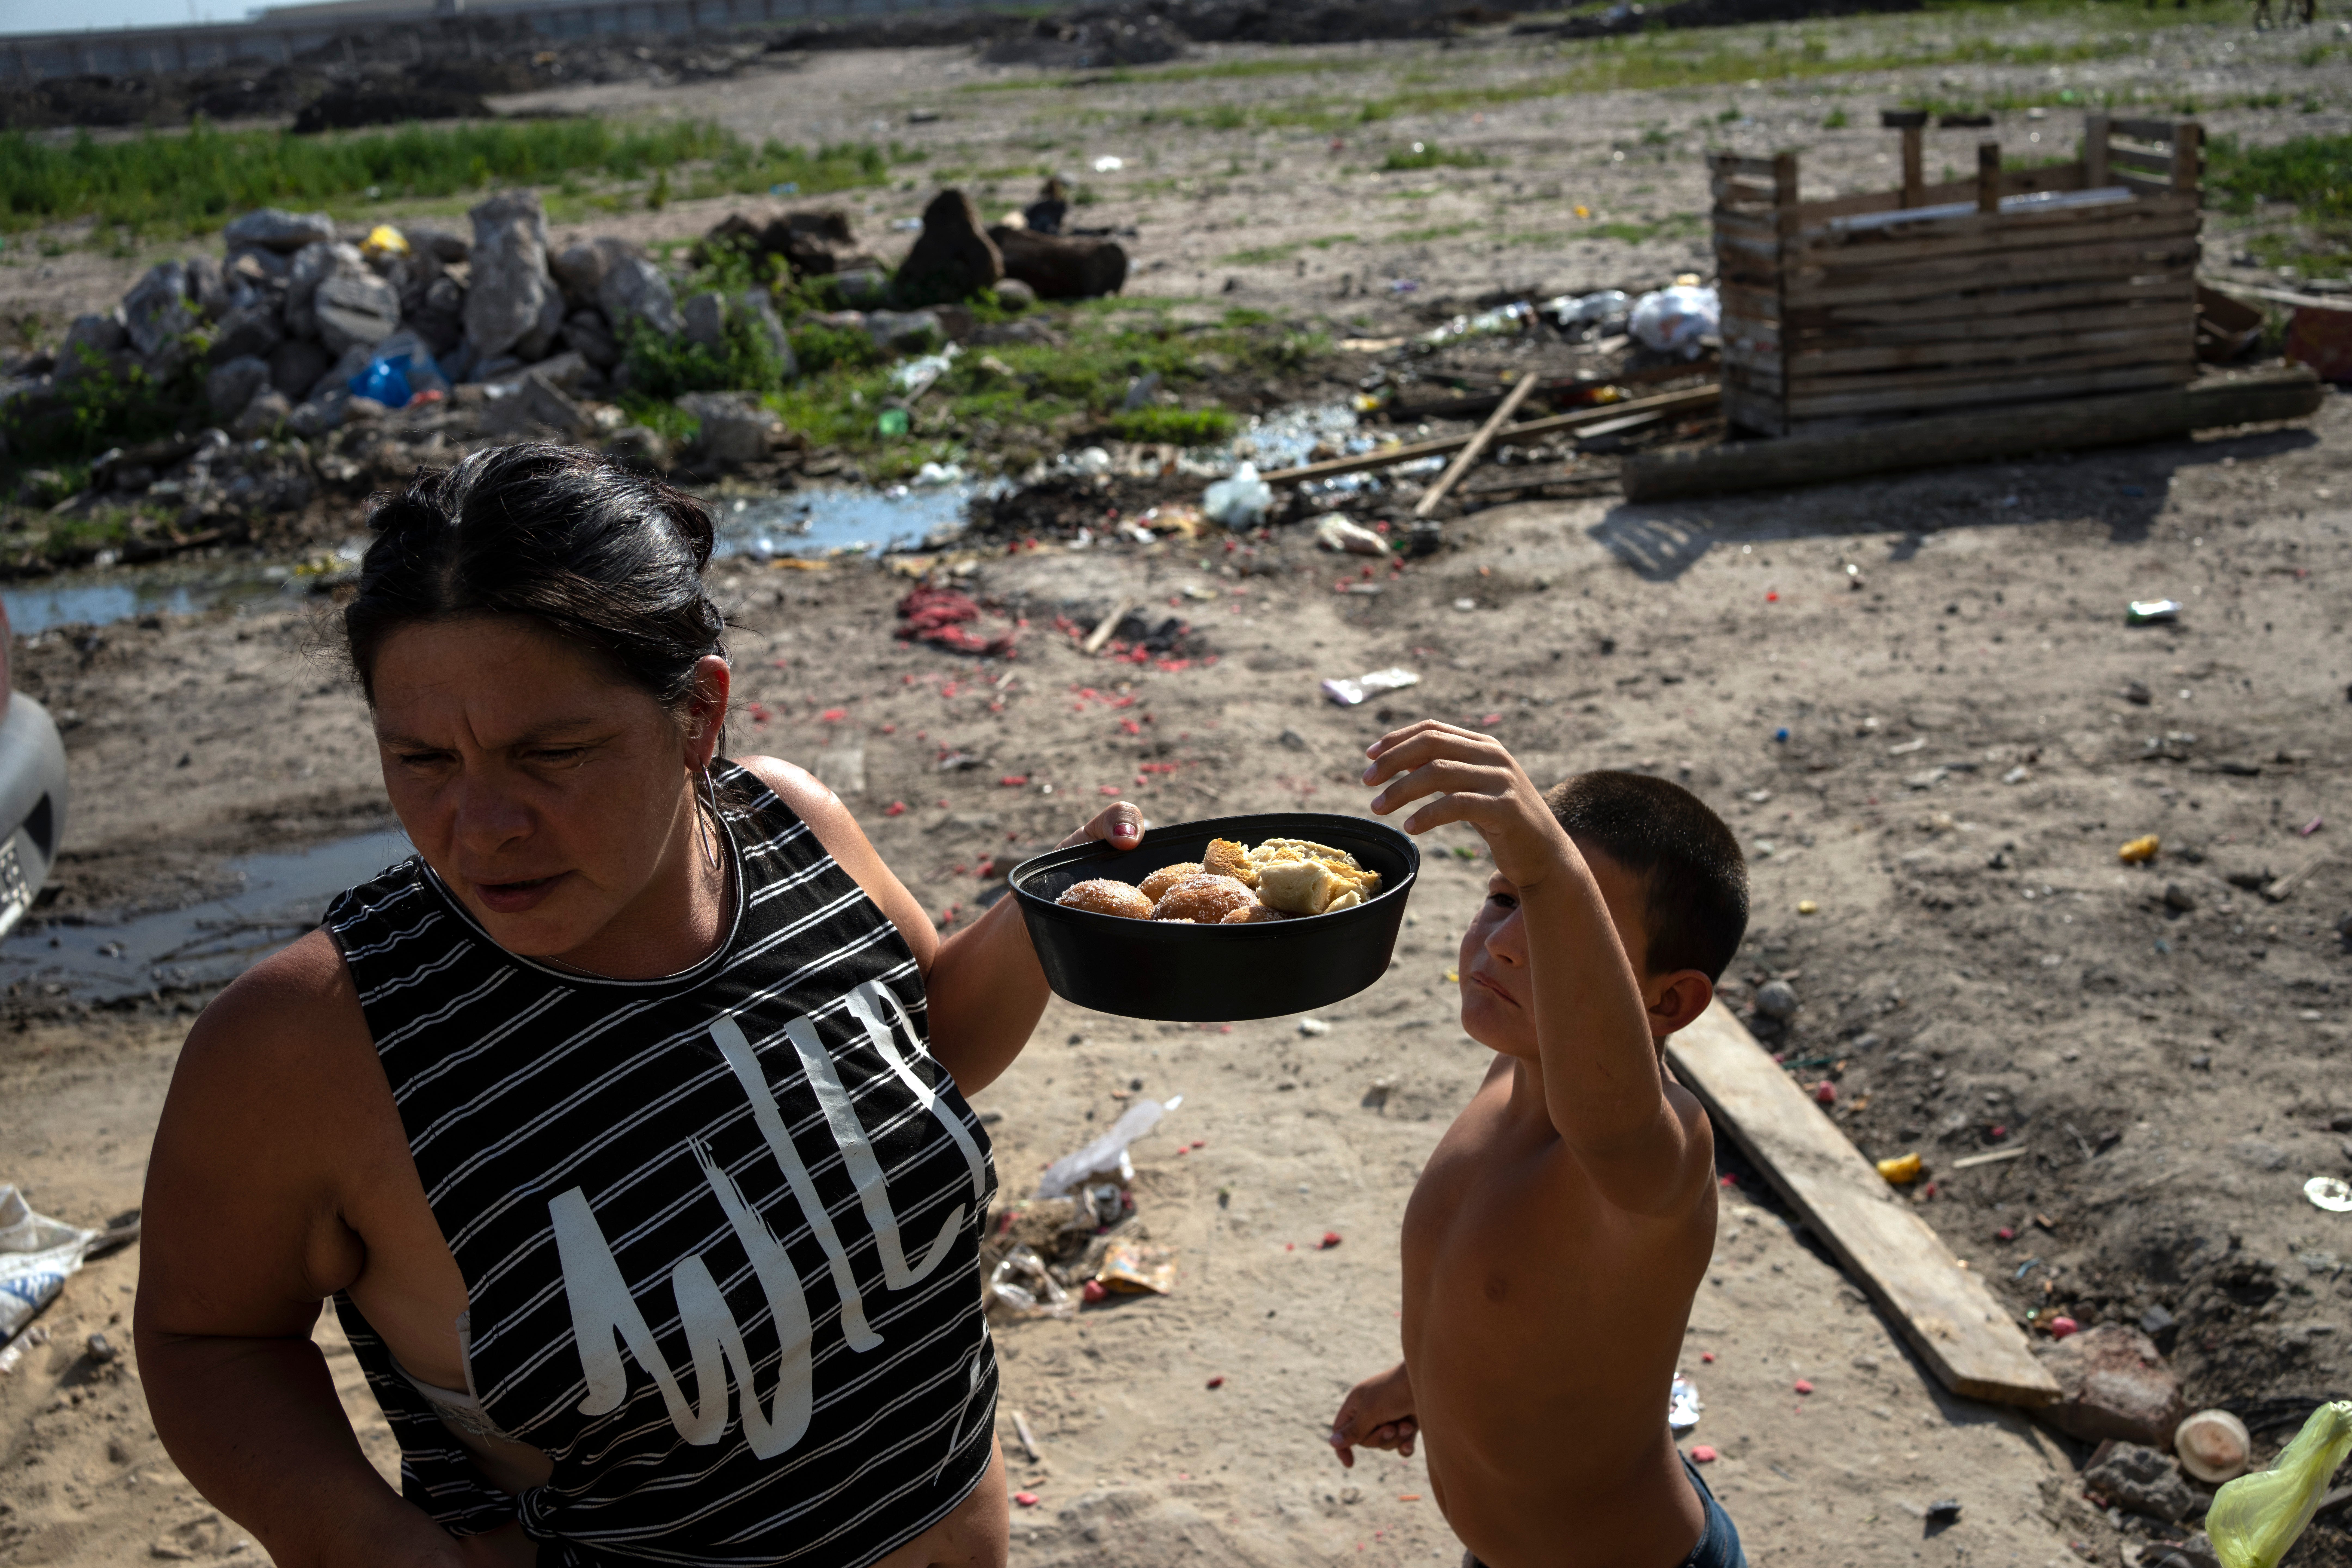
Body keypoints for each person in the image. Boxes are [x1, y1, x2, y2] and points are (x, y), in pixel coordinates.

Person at [135, 444, 1146, 1568]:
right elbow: (210, 1340)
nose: (483, 826)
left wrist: (1053, 909)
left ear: (698, 714)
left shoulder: (787, 828)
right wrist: (369, 1544)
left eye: (553, 754)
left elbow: (926, 1042)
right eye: (421, 759)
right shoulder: (315, 1040)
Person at [1330, 723, 1749, 1568]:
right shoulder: (1509, 1079)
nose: (1506, 941)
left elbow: (1610, 1114)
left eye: (1565, 929)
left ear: (1668, 1003)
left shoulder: (1656, 1157)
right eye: (1505, 898)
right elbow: (1518, 1301)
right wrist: (1421, 1377)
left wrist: (1551, 868)